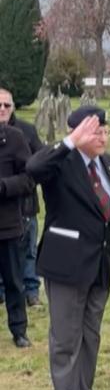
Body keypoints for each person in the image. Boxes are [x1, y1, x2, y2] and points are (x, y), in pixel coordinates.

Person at [27, 106, 110, 390]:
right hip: (66, 266)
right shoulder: (60, 163)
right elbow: (33, 168)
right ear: (77, 132)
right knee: (66, 339)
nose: (102, 136)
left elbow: (109, 218)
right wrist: (68, 142)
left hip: (99, 267)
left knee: (90, 336)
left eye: (104, 130)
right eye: (95, 131)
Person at [0, 88, 43, 306]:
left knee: (27, 251)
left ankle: (32, 290)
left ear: (13, 107)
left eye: (7, 105)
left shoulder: (26, 131)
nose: (2, 110)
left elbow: (39, 165)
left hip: (24, 205)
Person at [0, 119, 34, 347]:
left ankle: (19, 329)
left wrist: (4, 186)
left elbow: (29, 178)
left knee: (14, 279)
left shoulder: (14, 138)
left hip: (7, 224)